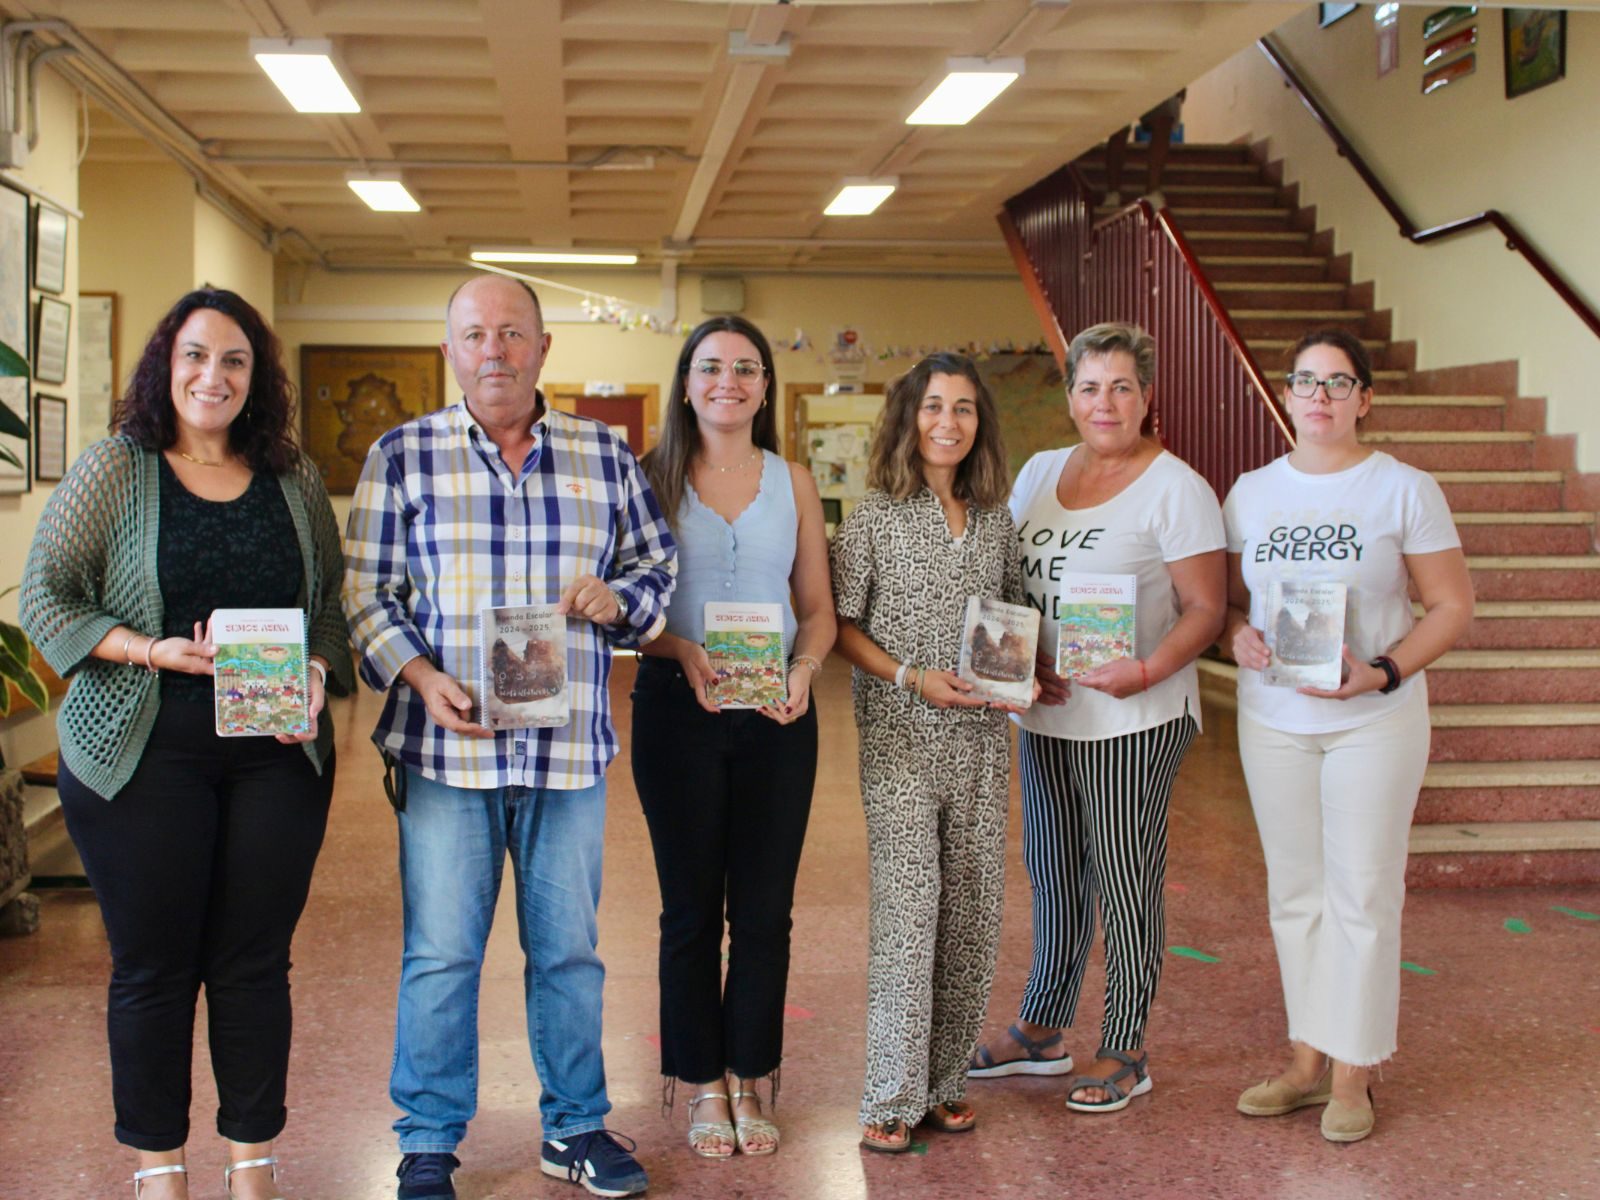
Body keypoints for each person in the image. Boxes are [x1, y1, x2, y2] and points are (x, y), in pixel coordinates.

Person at [342, 274, 676, 1199]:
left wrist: (621, 603)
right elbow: (365, 594)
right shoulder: (402, 456)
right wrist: (418, 674)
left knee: (568, 950)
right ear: (450, 350)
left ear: (542, 348)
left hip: (567, 753)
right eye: (476, 334)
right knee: (443, 951)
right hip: (449, 752)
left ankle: (574, 1127)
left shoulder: (604, 453)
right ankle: (428, 1142)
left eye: (513, 333)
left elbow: (654, 565)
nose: (495, 349)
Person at [20, 288, 348, 1200]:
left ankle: (254, 1161)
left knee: (253, 960)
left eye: (235, 360)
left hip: (276, 752)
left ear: (257, 377)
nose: (214, 375)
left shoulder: (293, 476)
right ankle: (158, 1166)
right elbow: (48, 598)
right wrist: (147, 648)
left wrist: (318, 672)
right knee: (155, 963)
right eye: (196, 356)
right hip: (141, 749)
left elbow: (326, 610)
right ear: (167, 367)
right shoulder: (117, 468)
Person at [968, 322, 1227, 1113]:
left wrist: (1145, 668)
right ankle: (1043, 1029)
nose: (1104, 402)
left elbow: (1207, 609)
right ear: (1070, 394)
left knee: (1124, 879)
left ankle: (1125, 1046)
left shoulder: (1176, 486)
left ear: (1147, 397)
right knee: (1053, 873)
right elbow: (1008, 576)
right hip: (1046, 709)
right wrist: (1018, 667)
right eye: (1089, 386)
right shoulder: (1043, 471)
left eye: (1121, 387)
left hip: (1132, 718)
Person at [1222, 328, 1473, 1143]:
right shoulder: (1251, 492)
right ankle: (1304, 1061)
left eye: (1338, 382)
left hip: (1373, 720)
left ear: (1365, 398)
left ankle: (1354, 1074)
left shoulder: (1403, 488)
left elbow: (1452, 607)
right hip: (1275, 719)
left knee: (1361, 894)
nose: (1320, 396)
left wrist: (1383, 671)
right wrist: (1237, 637)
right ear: (1288, 397)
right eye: (1305, 381)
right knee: (1295, 896)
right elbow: (1228, 603)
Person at [632, 315, 835, 1158]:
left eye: (746, 368)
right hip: (678, 710)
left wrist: (805, 668)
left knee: (764, 912)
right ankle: (703, 1082)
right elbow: (631, 611)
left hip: (778, 715)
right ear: (685, 383)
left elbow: (818, 608)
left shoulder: (794, 480)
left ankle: (752, 1074)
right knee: (688, 912)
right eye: (710, 367)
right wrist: (680, 647)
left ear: (764, 385)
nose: (728, 381)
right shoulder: (647, 477)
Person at [829, 352, 1024, 1153]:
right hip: (903, 744)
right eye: (934, 406)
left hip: (982, 744)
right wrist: (910, 676)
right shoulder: (873, 516)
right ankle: (890, 1094)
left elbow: (1013, 624)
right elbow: (840, 626)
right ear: (908, 417)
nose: (949, 422)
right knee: (911, 916)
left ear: (980, 424)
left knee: (973, 916)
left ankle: (944, 1084)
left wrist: (1031, 675)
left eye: (965, 408)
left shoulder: (997, 518)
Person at [1103, 89, 1186, 208]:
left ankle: (1153, 190)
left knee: (1163, 121)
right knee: (1119, 128)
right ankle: (1112, 192)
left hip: (1160, 76)